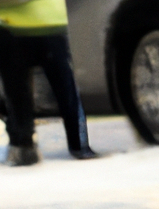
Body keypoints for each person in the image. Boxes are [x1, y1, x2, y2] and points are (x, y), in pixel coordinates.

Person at [0, 0, 97, 165]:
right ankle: (79, 147)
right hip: (47, 26)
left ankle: (24, 146)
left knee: (19, 95)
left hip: (27, 28)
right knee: (66, 92)